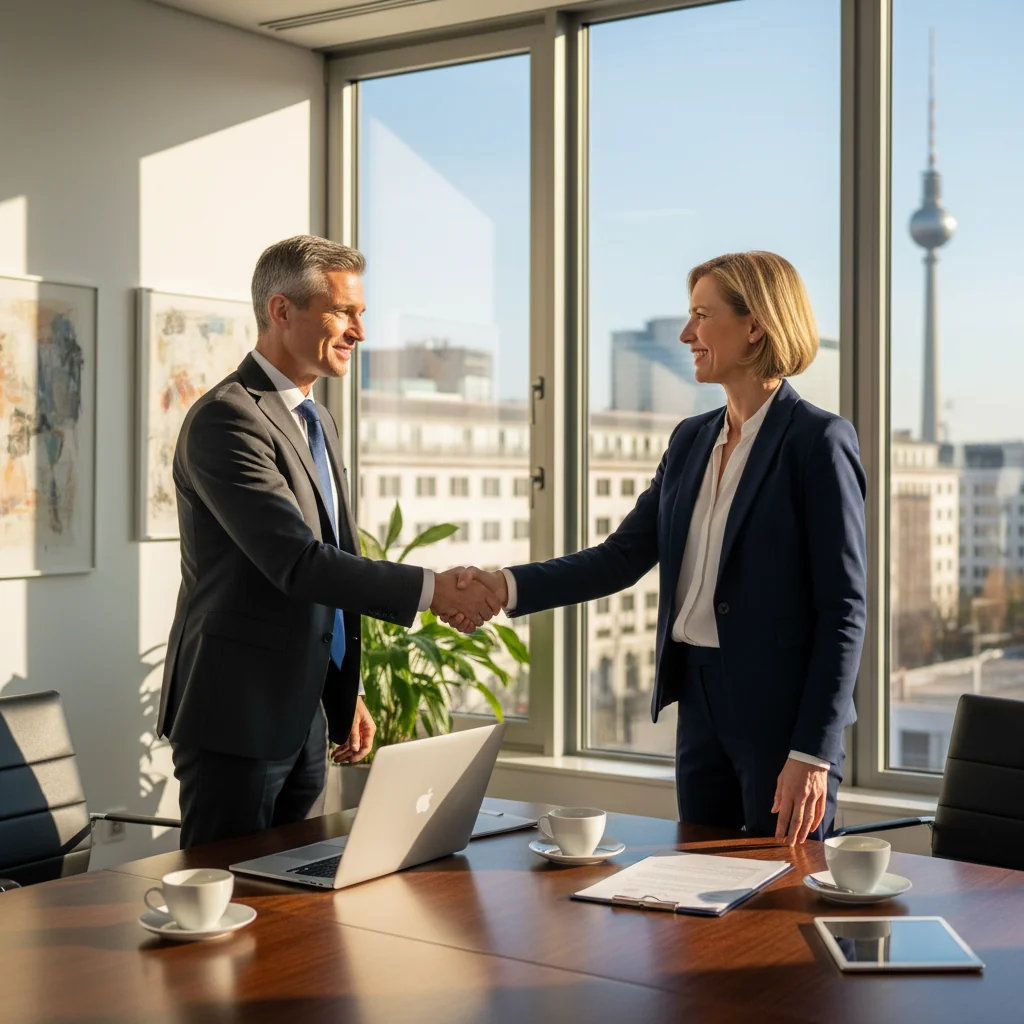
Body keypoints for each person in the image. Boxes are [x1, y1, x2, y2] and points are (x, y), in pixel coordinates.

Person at [457, 251, 867, 846]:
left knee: (776, 895)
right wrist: (503, 586)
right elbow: (620, 556)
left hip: (782, 716)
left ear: (755, 325)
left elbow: (844, 610)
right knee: (695, 879)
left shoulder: (818, 441)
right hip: (698, 697)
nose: (686, 334)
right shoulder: (691, 438)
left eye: (702, 315)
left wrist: (814, 749)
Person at [157, 235, 501, 848]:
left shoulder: (316, 419)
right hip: (237, 717)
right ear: (281, 311)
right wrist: (432, 589)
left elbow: (332, 558)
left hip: (304, 716)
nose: (358, 332)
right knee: (221, 908)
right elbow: (298, 562)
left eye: (360, 314)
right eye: (343, 312)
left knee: (296, 909)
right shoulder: (227, 419)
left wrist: (344, 690)